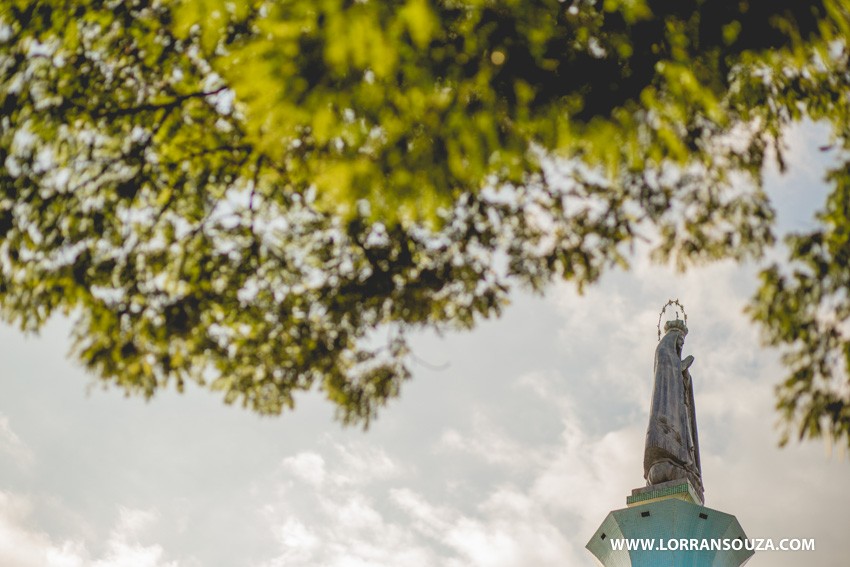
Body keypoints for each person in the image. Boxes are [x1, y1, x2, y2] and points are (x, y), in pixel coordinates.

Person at [643, 319, 704, 502]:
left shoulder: (674, 359)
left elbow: (679, 379)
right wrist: (681, 366)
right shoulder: (663, 352)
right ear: (673, 338)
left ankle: (684, 464)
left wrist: (684, 374)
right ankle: (669, 460)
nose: (681, 345)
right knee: (660, 471)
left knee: (686, 437)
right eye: (680, 341)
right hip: (668, 410)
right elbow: (667, 373)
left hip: (680, 410)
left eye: (682, 343)